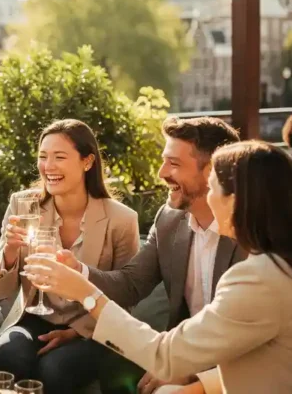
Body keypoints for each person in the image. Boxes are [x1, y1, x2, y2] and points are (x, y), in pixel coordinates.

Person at [26, 141, 292, 394]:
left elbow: (165, 356)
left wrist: (85, 295)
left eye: (214, 188)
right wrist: (204, 384)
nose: (208, 196)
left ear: (237, 201)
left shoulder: (261, 277)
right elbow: (289, 354)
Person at [56, 116, 242, 394]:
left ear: (214, 172)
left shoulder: (250, 233)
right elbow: (130, 285)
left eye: (174, 164)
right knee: (114, 365)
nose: (161, 173)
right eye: (164, 160)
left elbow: (247, 337)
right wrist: (77, 271)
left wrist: (192, 373)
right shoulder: (169, 220)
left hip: (234, 363)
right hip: (181, 350)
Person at [0, 119, 140, 394]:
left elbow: (125, 295)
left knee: (55, 368)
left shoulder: (121, 220)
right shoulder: (23, 206)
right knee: (11, 352)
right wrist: (10, 251)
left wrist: (77, 331)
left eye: (59, 157)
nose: (48, 167)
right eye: (43, 157)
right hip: (33, 318)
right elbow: (0, 289)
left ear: (87, 162)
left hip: (92, 326)